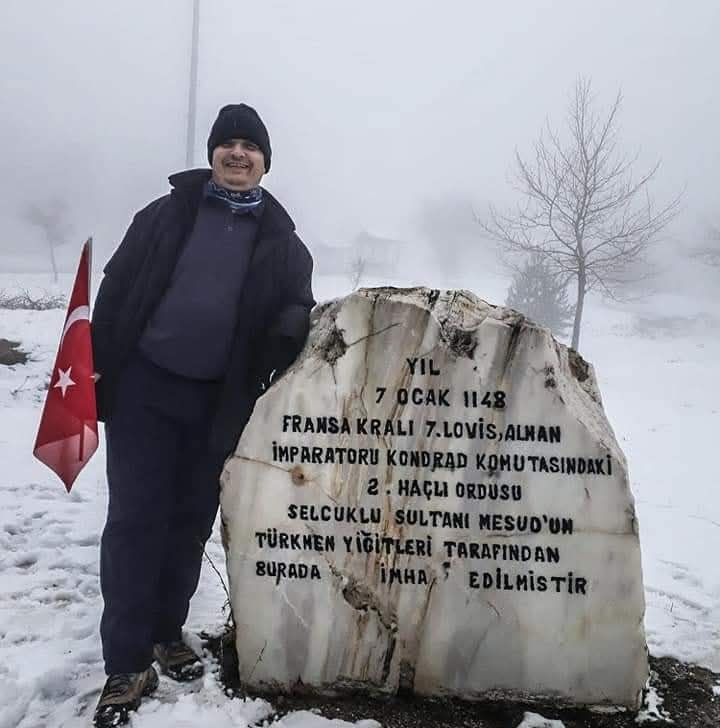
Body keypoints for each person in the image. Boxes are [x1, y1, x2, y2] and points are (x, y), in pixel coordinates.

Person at [90, 103, 315, 727]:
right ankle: (126, 660)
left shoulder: (284, 242)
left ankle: (166, 630)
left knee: (189, 522)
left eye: (251, 146)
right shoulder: (164, 215)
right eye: (228, 143)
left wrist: (288, 327)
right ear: (213, 153)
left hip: (220, 403)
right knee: (135, 521)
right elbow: (117, 288)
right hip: (145, 390)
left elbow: (298, 304)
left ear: (265, 162)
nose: (238, 154)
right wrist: (98, 366)